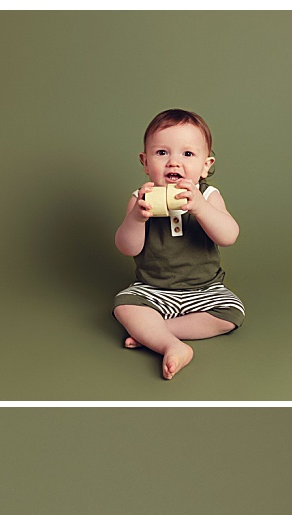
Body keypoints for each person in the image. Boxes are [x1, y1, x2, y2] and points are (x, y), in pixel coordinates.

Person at [113, 108, 243, 380]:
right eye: (162, 153)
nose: (174, 162)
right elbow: (128, 247)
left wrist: (200, 208)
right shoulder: (141, 197)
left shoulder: (208, 196)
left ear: (205, 165)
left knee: (231, 313)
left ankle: (153, 332)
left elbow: (228, 235)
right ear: (145, 162)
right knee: (124, 305)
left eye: (187, 154)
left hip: (205, 288)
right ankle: (171, 345)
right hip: (153, 290)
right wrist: (137, 217)